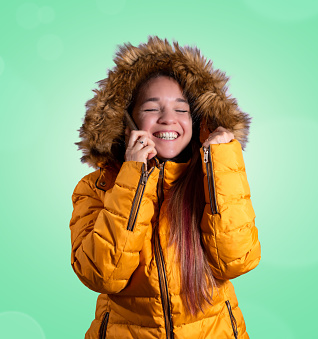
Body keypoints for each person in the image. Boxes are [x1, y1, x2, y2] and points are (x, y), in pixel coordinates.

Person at [70, 36, 261, 339]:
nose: (168, 119)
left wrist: (223, 158)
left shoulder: (214, 179)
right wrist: (134, 175)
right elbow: (102, 274)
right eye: (151, 108)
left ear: (197, 119)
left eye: (181, 109)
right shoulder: (97, 188)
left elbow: (236, 259)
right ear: (127, 120)